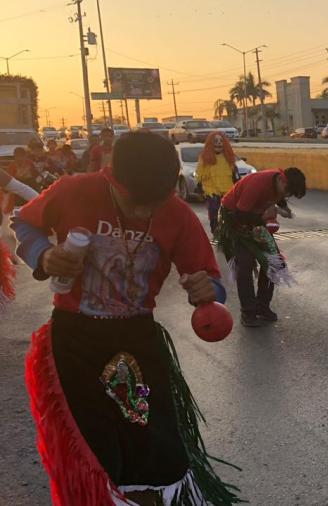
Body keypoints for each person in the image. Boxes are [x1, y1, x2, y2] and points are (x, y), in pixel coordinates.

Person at [12, 131, 240, 505]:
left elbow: (211, 283)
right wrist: (43, 256)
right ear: (112, 178)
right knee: (91, 444)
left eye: (155, 204)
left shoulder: (177, 213)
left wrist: (207, 293)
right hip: (74, 340)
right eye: (134, 202)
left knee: (154, 441)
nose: (143, 213)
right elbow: (23, 221)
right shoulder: (74, 191)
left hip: (137, 339)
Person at [216, 167, 306, 327]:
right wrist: (267, 215)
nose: (286, 195)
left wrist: (283, 207)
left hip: (255, 218)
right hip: (235, 218)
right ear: (280, 180)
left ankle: (262, 307)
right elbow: (240, 215)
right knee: (246, 263)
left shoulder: (280, 186)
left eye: (289, 194)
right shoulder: (258, 184)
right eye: (287, 191)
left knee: (273, 263)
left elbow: (278, 196)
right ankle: (248, 312)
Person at [195, 132, 238, 234]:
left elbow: (234, 176)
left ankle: (229, 235)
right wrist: (200, 189)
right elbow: (199, 175)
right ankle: (216, 233)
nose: (218, 143)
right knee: (215, 214)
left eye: (221, 141)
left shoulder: (228, 158)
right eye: (215, 141)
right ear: (210, 143)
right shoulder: (204, 158)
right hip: (212, 192)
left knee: (229, 215)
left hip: (227, 191)